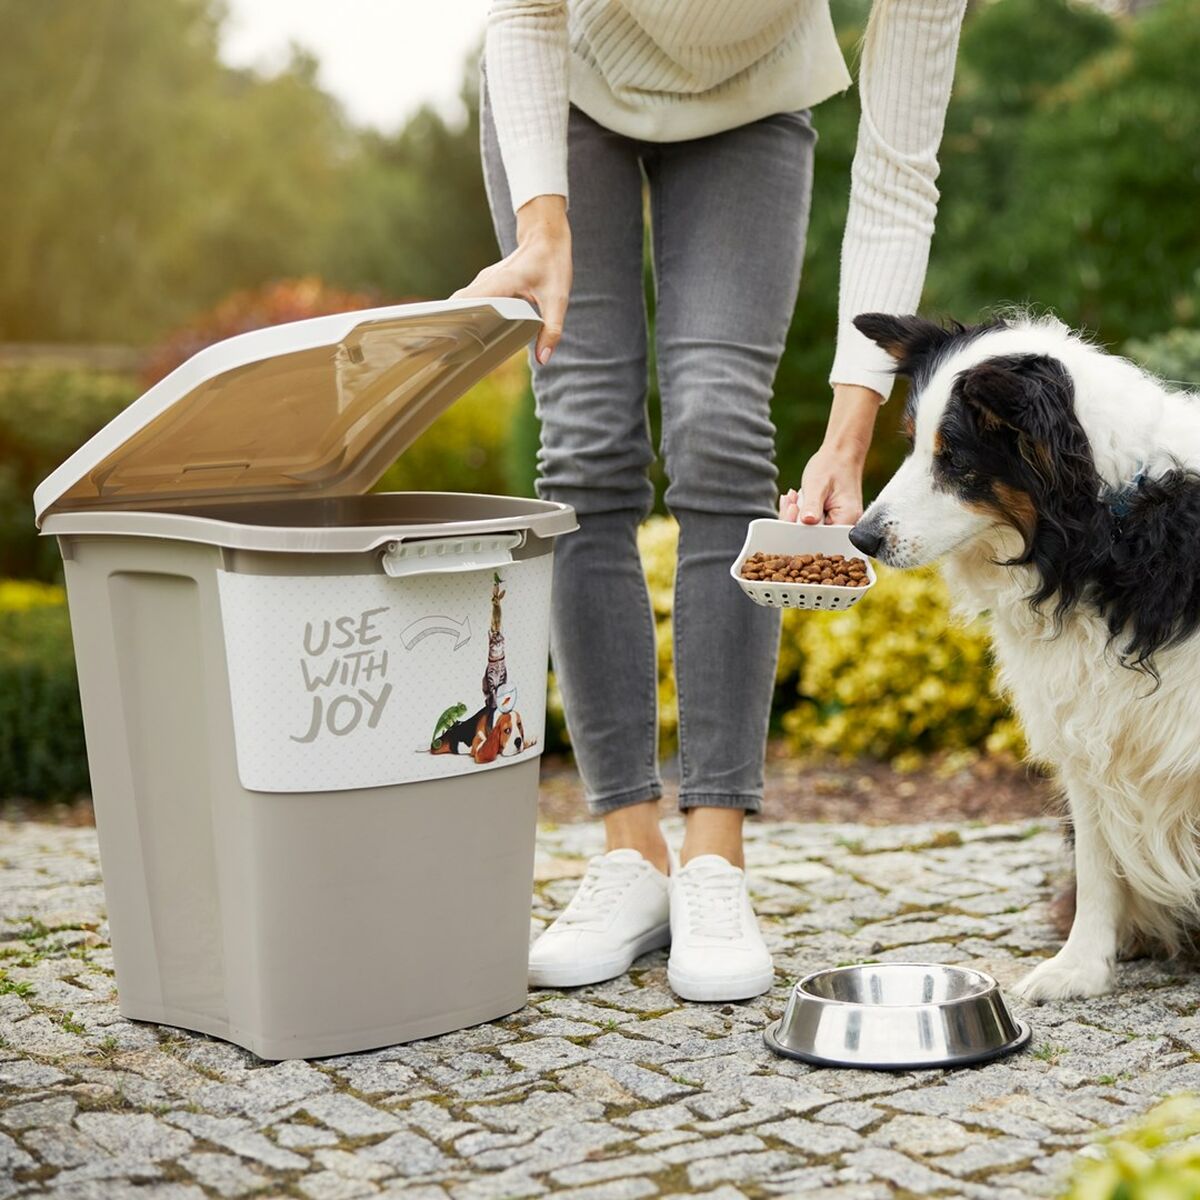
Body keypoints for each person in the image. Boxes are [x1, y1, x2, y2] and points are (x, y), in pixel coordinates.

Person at [456, 0, 967, 1003]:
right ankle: (631, 852)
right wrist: (541, 222)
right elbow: (524, 11)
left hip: (753, 104)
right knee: (588, 439)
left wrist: (850, 430)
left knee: (720, 426)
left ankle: (714, 858)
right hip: (566, 84)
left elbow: (898, 175)